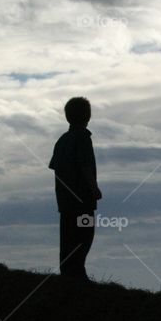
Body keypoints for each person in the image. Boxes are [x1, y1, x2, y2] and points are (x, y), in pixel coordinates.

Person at [48, 97, 102, 280]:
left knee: (68, 238)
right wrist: (94, 188)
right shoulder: (83, 138)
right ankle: (77, 273)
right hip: (82, 199)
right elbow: (85, 165)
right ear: (88, 115)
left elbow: (56, 167)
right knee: (84, 236)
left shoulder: (62, 140)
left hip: (65, 201)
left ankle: (69, 273)